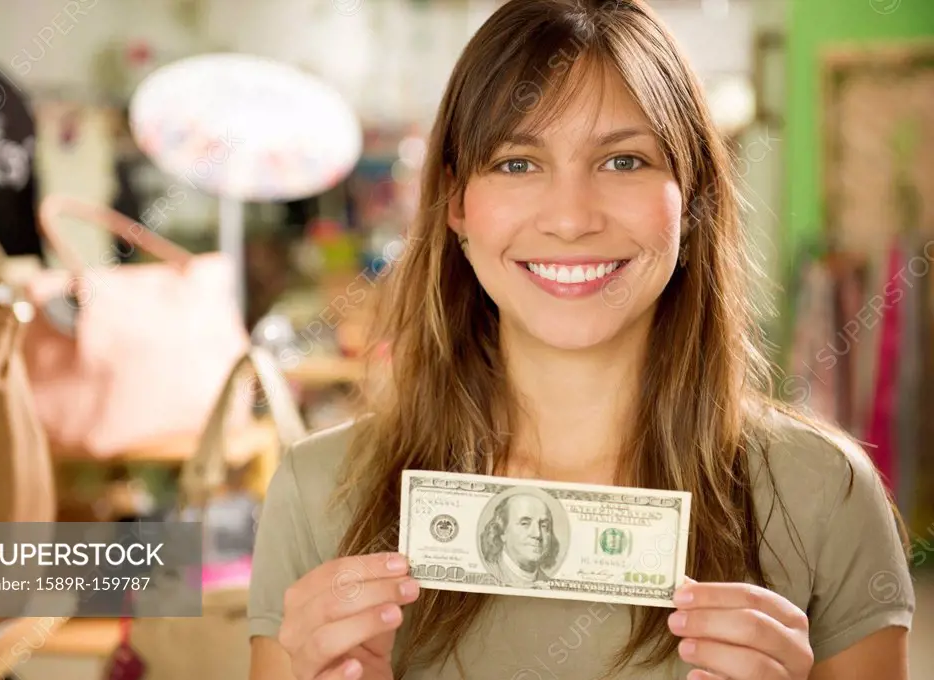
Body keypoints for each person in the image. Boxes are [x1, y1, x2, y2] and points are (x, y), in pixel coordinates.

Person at [247, 1, 915, 678]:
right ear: (455, 202)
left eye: (623, 160)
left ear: (692, 196)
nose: (570, 219)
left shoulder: (822, 493)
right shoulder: (319, 494)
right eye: (517, 163)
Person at [479, 493, 560, 588]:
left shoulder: (549, 584)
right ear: (502, 531)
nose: (537, 534)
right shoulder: (490, 574)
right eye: (525, 523)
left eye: (544, 526)